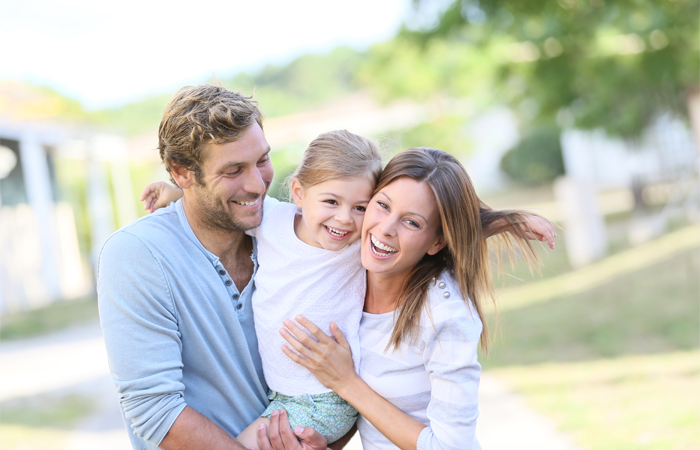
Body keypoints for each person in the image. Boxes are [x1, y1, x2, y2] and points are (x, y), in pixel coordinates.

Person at [100, 84, 555, 450]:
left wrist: (504, 220)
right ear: (183, 172)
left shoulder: (325, 235)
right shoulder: (142, 255)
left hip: (302, 412)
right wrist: (176, 198)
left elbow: (422, 214)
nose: (257, 184)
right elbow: (153, 410)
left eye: (262, 161)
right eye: (233, 170)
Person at [279, 147, 544, 450]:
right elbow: (375, 409)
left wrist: (346, 382)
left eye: (412, 222)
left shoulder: (445, 315)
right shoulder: (352, 274)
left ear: (437, 242)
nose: (386, 229)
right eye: (382, 206)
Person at [142, 129, 383, 448]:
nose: (344, 219)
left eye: (360, 208)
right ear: (298, 192)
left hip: (326, 399)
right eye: (331, 201)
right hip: (281, 393)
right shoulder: (272, 221)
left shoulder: (360, 249)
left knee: (239, 446)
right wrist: (176, 194)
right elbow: (224, 206)